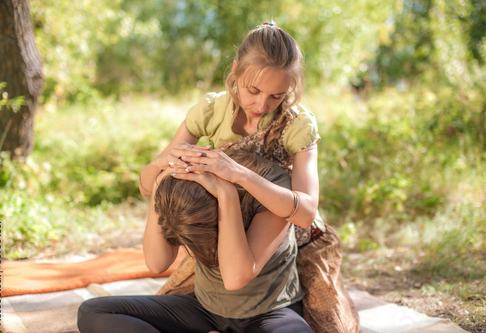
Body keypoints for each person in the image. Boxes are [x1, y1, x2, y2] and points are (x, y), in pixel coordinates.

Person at [139, 22, 360, 332]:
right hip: (227, 229)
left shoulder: (297, 125)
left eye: (277, 95)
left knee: (333, 324)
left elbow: (306, 212)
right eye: (253, 90)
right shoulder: (213, 110)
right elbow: (150, 186)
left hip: (288, 234)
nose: (261, 105)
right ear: (235, 72)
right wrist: (161, 164)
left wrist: (238, 175)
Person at [78, 150, 313, 332]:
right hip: (206, 310)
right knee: (93, 311)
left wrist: (227, 196)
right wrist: (161, 182)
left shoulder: (274, 187)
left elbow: (235, 278)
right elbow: (157, 263)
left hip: (270, 312)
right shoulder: (188, 189)